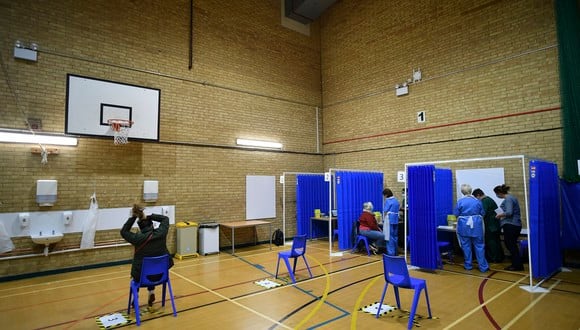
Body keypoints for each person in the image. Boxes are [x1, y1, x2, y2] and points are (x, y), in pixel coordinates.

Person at [120, 204, 173, 307]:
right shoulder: (161, 233)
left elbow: (124, 231)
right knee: (152, 266)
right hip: (162, 275)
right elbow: (165, 219)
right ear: (152, 225)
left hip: (141, 278)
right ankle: (151, 292)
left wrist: (133, 217)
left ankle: (136, 296)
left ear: (140, 227)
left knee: (140, 271)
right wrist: (151, 216)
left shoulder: (137, 239)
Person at [453, 184, 488, 272]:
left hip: (463, 226)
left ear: (462, 191)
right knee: (479, 246)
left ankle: (468, 265)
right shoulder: (477, 201)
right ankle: (483, 267)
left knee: (466, 246)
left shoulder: (460, 202)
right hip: (477, 225)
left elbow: (455, 214)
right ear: (471, 191)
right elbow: (483, 213)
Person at [494, 184, 524, 271]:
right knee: (512, 245)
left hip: (511, 225)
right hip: (515, 225)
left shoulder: (508, 199)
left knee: (511, 245)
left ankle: (517, 265)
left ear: (499, 193)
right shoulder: (511, 198)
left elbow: (509, 212)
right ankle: (517, 264)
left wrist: (499, 215)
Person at [473, 188, 504, 263]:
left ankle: (493, 258)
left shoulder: (484, 201)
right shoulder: (489, 199)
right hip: (495, 224)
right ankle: (499, 257)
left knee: (491, 242)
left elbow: (483, 213)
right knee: (496, 241)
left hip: (490, 225)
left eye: (476, 198)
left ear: (478, 195)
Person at [382, 188, 400, 256]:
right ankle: (395, 252)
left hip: (390, 219)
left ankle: (390, 252)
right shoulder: (396, 200)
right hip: (396, 219)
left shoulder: (388, 201)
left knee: (389, 236)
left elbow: (385, 210)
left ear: (386, 195)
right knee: (395, 236)